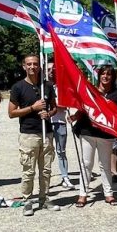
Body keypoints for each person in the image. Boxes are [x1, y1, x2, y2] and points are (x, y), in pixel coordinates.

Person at [8, 54, 59, 216]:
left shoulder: (47, 86)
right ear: (24, 66)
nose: (32, 67)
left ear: (39, 66)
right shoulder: (18, 87)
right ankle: (27, 200)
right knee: (29, 170)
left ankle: (44, 198)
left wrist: (48, 114)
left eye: (35, 64)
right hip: (28, 134)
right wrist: (32, 108)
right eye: (29, 64)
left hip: (46, 133)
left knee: (46, 169)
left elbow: (54, 107)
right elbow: (11, 112)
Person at [74, 65, 117, 207]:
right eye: (103, 73)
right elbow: (83, 108)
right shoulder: (90, 91)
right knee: (86, 164)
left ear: (112, 77)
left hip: (106, 134)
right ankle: (83, 194)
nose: (105, 76)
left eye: (108, 74)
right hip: (87, 132)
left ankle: (108, 193)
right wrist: (74, 116)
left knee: (105, 165)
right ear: (99, 76)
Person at [46, 62, 74, 190]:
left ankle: (65, 177)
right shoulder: (42, 87)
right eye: (48, 69)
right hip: (45, 122)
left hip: (59, 122)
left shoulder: (62, 87)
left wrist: (55, 106)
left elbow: (66, 104)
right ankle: (45, 178)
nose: (51, 71)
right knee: (45, 152)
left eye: (53, 69)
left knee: (61, 151)